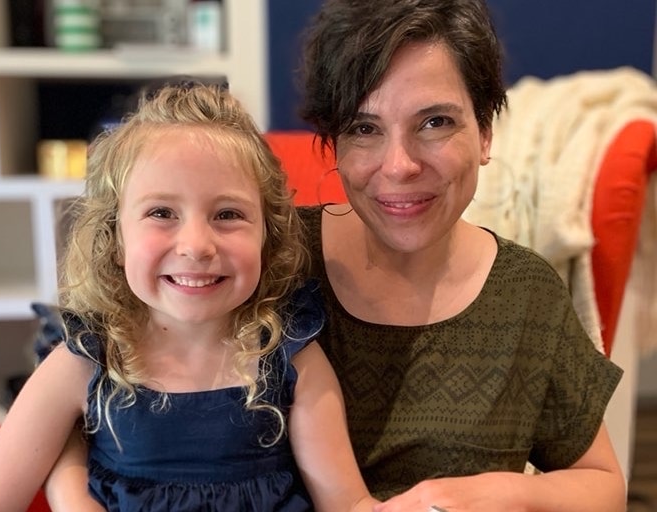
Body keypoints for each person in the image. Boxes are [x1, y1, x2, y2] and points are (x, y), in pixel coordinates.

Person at [44, 0, 627, 511]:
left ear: (485, 133)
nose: (399, 165)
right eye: (364, 128)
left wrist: (503, 494)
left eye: (436, 122)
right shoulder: (258, 261)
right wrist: (72, 494)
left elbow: (602, 484)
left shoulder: (525, 293)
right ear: (333, 144)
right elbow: (95, 381)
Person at [0, 82, 378, 512]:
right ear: (114, 238)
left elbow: (348, 504)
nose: (196, 245)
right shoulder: (84, 360)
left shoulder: (291, 357)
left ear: (268, 238)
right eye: (161, 213)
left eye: (228, 214)